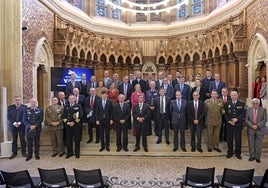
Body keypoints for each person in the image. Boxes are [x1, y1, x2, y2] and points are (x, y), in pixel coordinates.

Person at [224, 91, 246, 159]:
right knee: (229, 139)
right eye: (232, 95)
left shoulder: (242, 104)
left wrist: (237, 119)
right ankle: (230, 152)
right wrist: (229, 121)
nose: (233, 96)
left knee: (238, 139)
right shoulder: (227, 103)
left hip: (238, 124)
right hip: (230, 124)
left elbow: (243, 113)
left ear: (237, 96)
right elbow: (225, 114)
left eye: (235, 95)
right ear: (230, 96)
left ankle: (238, 153)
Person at [245, 98, 267, 163]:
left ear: (259, 103)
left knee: (259, 144)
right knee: (251, 144)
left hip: (260, 129)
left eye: (256, 103)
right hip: (250, 129)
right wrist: (252, 125)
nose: (255, 104)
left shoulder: (263, 110)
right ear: (252, 104)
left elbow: (265, 119)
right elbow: (246, 119)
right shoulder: (248, 109)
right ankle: (252, 156)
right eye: (253, 103)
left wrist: (257, 126)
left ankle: (257, 157)